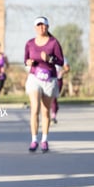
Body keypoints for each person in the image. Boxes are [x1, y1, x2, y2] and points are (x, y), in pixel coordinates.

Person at [24, 16, 64, 153]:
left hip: (49, 78)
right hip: (34, 77)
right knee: (34, 108)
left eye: (43, 25)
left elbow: (60, 61)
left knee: (45, 111)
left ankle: (44, 140)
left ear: (47, 27)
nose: (41, 27)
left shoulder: (54, 43)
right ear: (35, 28)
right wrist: (28, 62)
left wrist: (49, 59)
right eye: (38, 25)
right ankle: (34, 140)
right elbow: (26, 59)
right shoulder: (30, 43)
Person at [51, 57, 70, 124]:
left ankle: (53, 116)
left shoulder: (62, 57)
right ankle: (54, 109)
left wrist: (62, 72)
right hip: (48, 79)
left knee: (54, 97)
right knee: (48, 97)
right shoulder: (47, 55)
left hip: (58, 79)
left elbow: (67, 68)